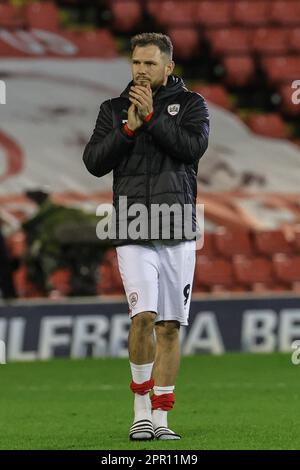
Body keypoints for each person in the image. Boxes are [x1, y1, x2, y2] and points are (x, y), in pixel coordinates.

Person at [83, 32, 209, 441]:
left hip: (177, 229)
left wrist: (153, 119)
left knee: (170, 327)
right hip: (133, 227)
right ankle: (140, 409)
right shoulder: (114, 109)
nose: (141, 70)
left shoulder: (192, 105)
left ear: (168, 67)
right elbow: (94, 163)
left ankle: (162, 417)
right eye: (136, 63)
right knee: (144, 318)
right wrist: (128, 129)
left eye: (150, 64)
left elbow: (192, 149)